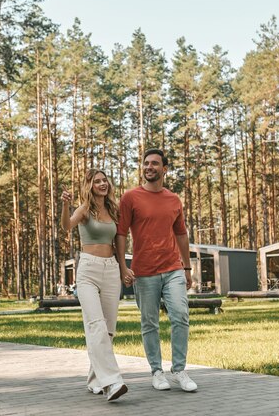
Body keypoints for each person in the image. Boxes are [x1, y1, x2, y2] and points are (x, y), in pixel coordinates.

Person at [115, 148, 197, 393]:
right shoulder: (130, 197)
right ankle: (156, 371)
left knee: (180, 315)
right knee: (149, 323)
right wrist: (123, 266)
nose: (149, 167)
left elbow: (181, 234)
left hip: (173, 268)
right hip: (144, 271)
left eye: (155, 163)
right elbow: (120, 233)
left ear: (165, 169)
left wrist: (187, 267)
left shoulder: (173, 199)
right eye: (146, 163)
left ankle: (180, 369)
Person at [61, 169, 128, 402]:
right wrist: (65, 206)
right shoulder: (84, 209)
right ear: (89, 186)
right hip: (88, 269)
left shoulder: (113, 210)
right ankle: (112, 382)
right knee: (96, 325)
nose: (102, 184)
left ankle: (94, 381)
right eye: (96, 181)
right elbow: (66, 226)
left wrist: (123, 268)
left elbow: (120, 240)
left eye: (104, 180)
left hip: (110, 268)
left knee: (108, 330)